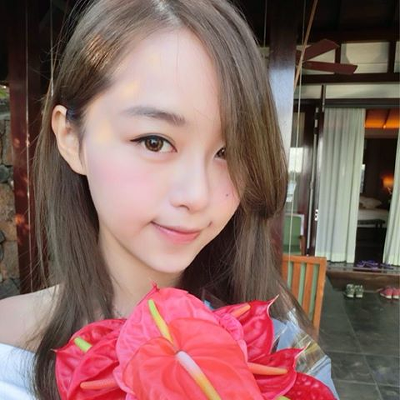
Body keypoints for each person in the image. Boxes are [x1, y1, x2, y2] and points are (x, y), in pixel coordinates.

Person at [0, 0, 338, 399]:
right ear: (71, 139)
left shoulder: (283, 355)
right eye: (154, 141)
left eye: (229, 152)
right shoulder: (8, 355)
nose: (197, 195)